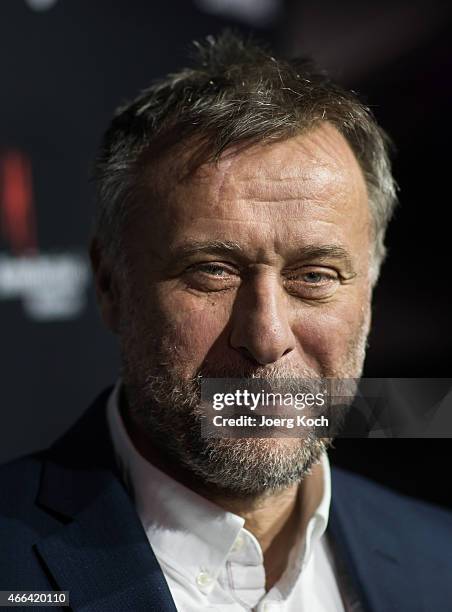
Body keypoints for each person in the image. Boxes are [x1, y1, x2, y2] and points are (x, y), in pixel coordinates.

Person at [1, 32, 451, 612]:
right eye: (212, 271)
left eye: (315, 276)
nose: (266, 338)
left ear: (371, 291)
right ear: (111, 284)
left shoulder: (439, 561)